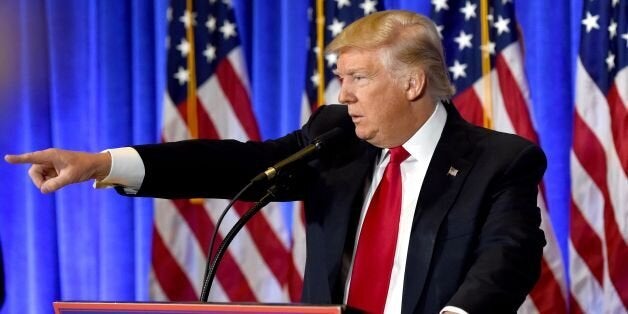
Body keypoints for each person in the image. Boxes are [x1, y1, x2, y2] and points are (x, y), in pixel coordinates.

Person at [5, 10, 546, 314]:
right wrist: (103, 164)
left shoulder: (499, 161)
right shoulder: (335, 140)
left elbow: (505, 261)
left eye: (359, 78)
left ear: (412, 82)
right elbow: (232, 165)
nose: (345, 94)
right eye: (341, 78)